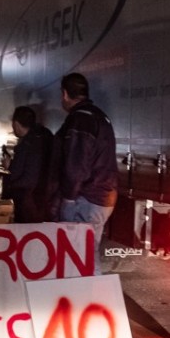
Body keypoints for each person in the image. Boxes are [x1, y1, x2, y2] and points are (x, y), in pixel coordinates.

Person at [56, 72, 118, 267]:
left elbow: (77, 164)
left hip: (85, 198)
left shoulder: (80, 120)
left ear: (65, 94)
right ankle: (86, 294)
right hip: (102, 195)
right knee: (86, 253)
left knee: (80, 256)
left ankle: (90, 294)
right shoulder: (100, 116)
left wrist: (68, 197)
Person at [2, 105, 55, 223]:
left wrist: (9, 166)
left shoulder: (26, 145)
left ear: (16, 123)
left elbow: (20, 175)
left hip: (28, 201)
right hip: (46, 198)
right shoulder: (45, 137)